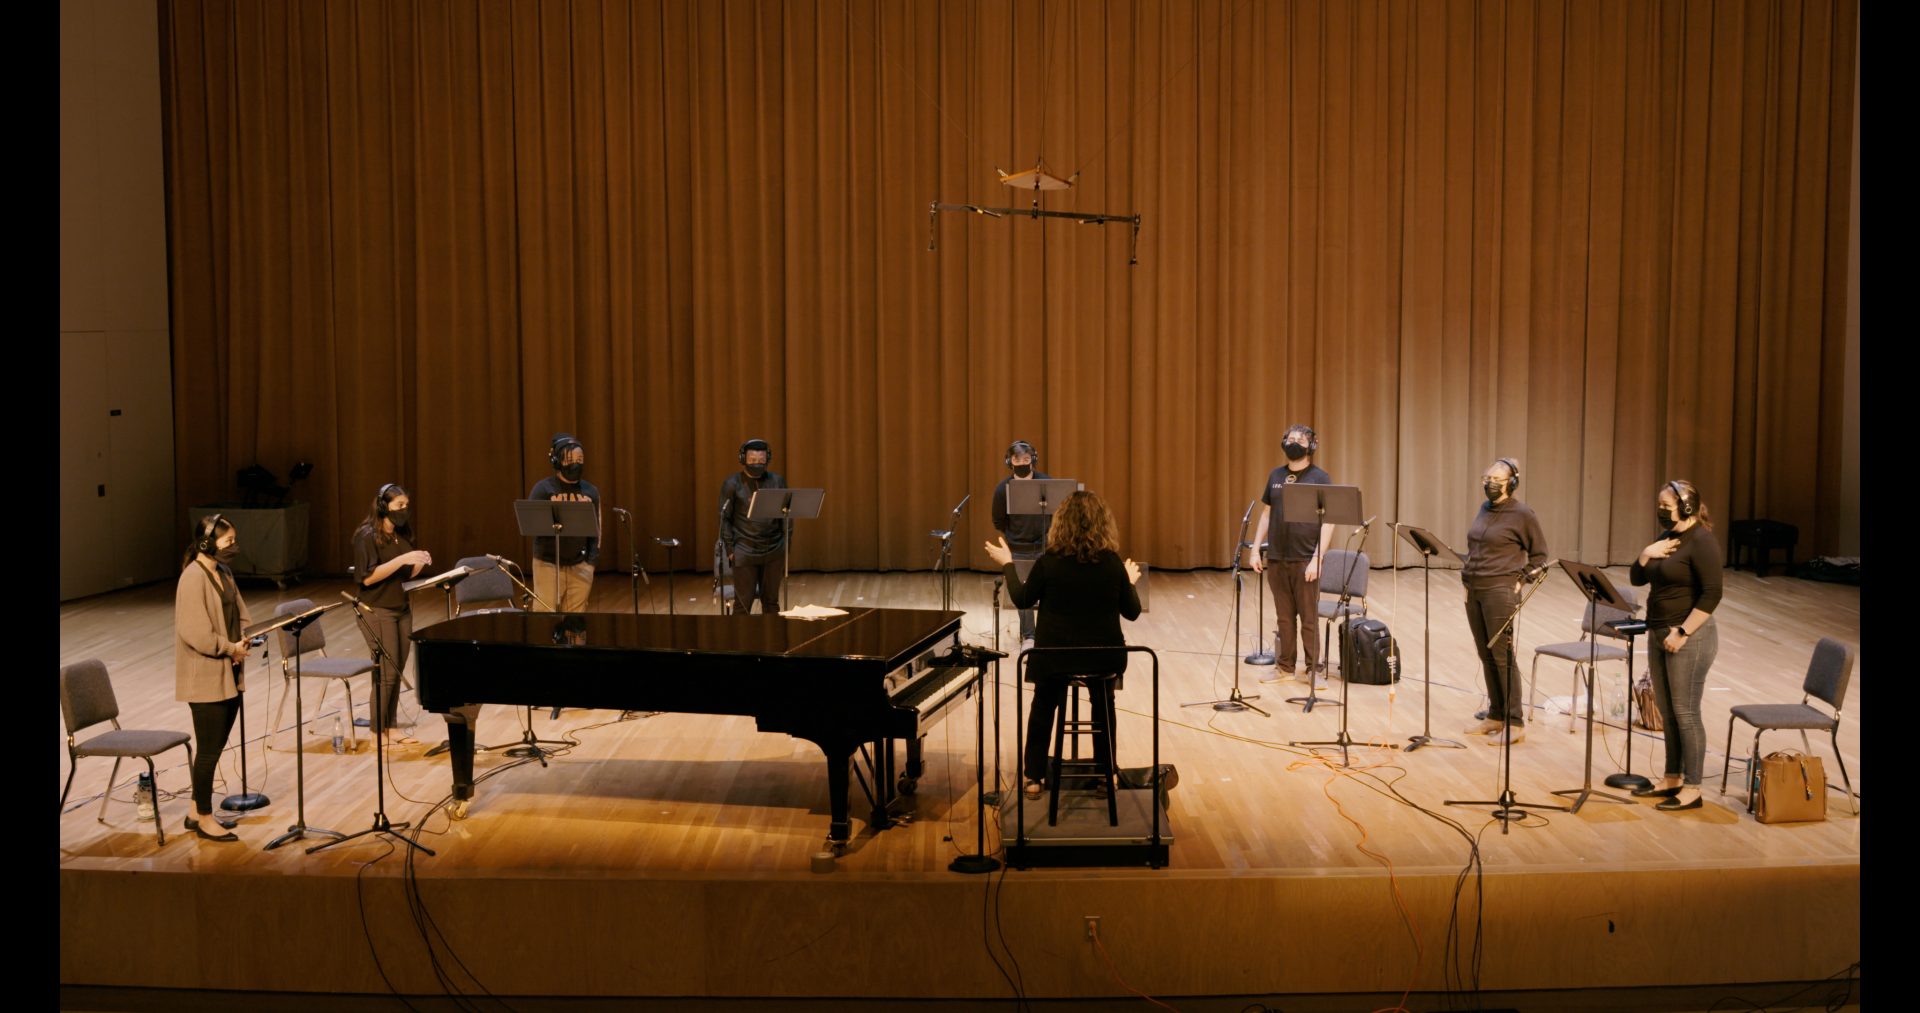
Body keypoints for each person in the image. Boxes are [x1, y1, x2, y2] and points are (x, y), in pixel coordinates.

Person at [984, 490, 1142, 800]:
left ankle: (1033, 777)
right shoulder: (1111, 563)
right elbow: (1132, 612)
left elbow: (1023, 599)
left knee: (1044, 704)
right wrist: (1129, 582)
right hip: (1104, 660)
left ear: (1061, 524)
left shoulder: (1050, 562)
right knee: (1104, 704)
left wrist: (1008, 564)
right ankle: (1105, 775)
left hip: (1054, 658)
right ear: (1103, 523)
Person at [1629, 479, 1724, 812]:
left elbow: (1712, 593)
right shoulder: (1667, 538)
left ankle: (1693, 787)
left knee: (1686, 713)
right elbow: (1637, 579)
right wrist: (1645, 554)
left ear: (1685, 507)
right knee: (1668, 713)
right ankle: (1672, 777)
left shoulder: (1701, 541)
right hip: (1658, 632)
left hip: (1689, 638)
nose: (1660, 511)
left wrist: (1682, 632)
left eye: (1665, 506)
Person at [174, 514, 253, 842]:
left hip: (230, 670)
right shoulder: (193, 578)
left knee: (215, 746)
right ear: (207, 544)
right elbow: (195, 632)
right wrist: (228, 647)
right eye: (228, 541)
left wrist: (245, 639)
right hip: (206, 676)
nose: (233, 547)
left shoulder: (223, 572)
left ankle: (195, 810)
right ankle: (205, 817)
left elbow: (240, 610)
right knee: (208, 750)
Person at [1460, 458, 1549, 745]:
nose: (1490, 484)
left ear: (1511, 483)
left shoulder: (1523, 514)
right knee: (1485, 655)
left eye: (1496, 480)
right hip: (1475, 588)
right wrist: (1466, 579)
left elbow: (1540, 556)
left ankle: (1515, 721)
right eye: (1487, 478)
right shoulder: (1485, 508)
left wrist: (1521, 579)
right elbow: (1475, 546)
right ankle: (1495, 715)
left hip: (1500, 591)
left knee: (1502, 656)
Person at [1251, 425, 1334, 686]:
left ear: (1311, 446)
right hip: (1277, 558)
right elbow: (1266, 514)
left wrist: (1317, 558)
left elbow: (1329, 521)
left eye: (1300, 439)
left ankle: (1313, 669)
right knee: (1284, 617)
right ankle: (1285, 666)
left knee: (1309, 618)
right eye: (1290, 438)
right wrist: (1255, 549)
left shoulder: (1320, 478)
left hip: (1305, 559)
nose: (1294, 442)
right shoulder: (1275, 475)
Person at [352, 483, 431, 746]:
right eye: (399, 506)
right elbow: (368, 578)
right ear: (384, 506)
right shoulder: (366, 536)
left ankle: (391, 726)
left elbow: (406, 574)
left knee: (396, 669)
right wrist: (401, 560)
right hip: (376, 609)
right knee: (386, 671)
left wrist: (419, 561)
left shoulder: (401, 534)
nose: (404, 511)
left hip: (401, 608)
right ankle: (376, 731)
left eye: (407, 506)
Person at [991, 439, 1053, 647]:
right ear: (1010, 462)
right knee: (1023, 593)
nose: (1022, 463)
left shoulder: (1046, 483)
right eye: (1017, 459)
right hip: (1018, 548)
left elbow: (1057, 511)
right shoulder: (1003, 489)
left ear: (1033, 460)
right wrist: (1015, 536)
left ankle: (1047, 633)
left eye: (1026, 459)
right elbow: (998, 520)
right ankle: (1029, 636)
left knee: (1049, 590)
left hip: (1046, 547)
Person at [529, 433, 601, 611]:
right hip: (547, 563)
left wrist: (590, 562)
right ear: (557, 462)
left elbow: (597, 530)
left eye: (580, 459)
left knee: (576, 621)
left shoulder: (590, 491)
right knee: (544, 615)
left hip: (580, 565)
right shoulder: (543, 489)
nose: (576, 464)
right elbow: (531, 524)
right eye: (570, 460)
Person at [719, 438, 788, 616]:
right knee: (743, 605)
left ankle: (773, 642)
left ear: (767, 459)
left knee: (772, 604)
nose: (757, 464)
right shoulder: (731, 484)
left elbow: (786, 516)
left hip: (773, 550)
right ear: (743, 459)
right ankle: (740, 644)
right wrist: (730, 549)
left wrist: (786, 545)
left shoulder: (777, 481)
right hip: (744, 550)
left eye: (761, 460)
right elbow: (724, 519)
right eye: (752, 460)